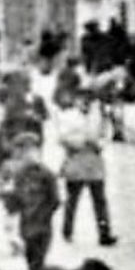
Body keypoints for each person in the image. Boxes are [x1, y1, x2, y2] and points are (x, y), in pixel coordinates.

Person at [3, 132, 60, 270]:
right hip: (26, 227)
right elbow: (15, 201)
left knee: (38, 267)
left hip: (42, 227)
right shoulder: (20, 175)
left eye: (32, 151)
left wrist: (43, 215)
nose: (28, 155)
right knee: (33, 267)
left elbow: (55, 200)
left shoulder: (47, 175)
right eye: (24, 151)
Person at [58, 101, 117, 248]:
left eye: (88, 101)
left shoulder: (100, 117)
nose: (85, 104)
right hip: (75, 162)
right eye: (82, 100)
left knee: (100, 200)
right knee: (72, 200)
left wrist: (98, 143)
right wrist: (80, 140)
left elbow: (106, 136)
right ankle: (67, 231)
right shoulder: (68, 116)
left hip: (94, 163)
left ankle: (104, 233)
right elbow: (62, 137)